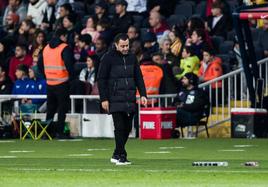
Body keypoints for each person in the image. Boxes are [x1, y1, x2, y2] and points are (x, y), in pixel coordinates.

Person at [97, 33, 147, 165]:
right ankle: (121, 156)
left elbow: (138, 77)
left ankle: (116, 153)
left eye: (127, 45)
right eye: (122, 46)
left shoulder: (132, 58)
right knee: (119, 127)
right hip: (114, 98)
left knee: (127, 127)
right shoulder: (107, 58)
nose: (125, 48)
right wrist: (104, 99)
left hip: (129, 98)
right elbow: (101, 80)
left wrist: (143, 94)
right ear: (116, 45)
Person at [37, 28, 74, 139]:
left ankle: (47, 133)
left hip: (50, 83)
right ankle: (60, 132)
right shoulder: (64, 48)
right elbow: (69, 65)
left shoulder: (46, 48)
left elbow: (39, 64)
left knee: (50, 109)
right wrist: (71, 78)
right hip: (62, 82)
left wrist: (46, 76)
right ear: (62, 36)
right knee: (62, 109)